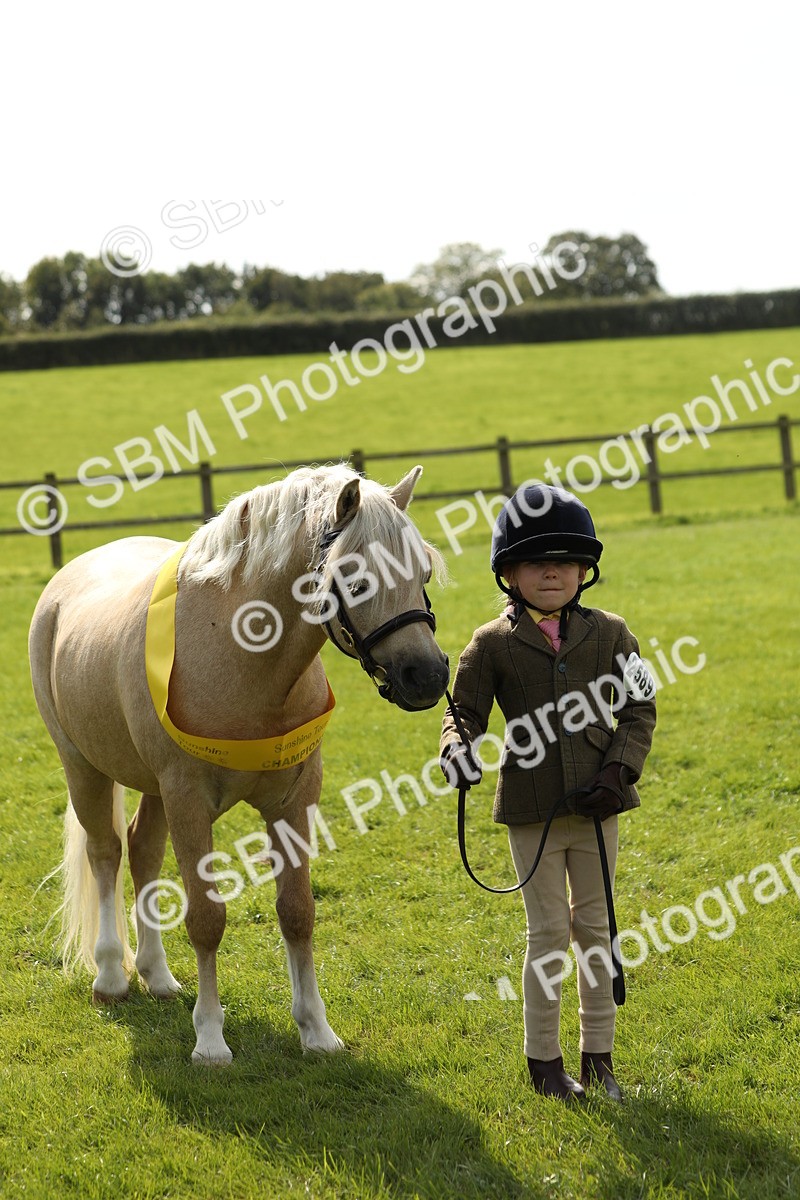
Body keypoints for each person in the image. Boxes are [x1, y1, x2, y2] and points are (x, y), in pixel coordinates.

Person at [440, 485, 656, 1102]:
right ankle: (544, 1063)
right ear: (509, 572)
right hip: (531, 810)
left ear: (586, 569)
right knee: (548, 933)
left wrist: (618, 773)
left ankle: (600, 1058)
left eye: (565, 560)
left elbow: (641, 710)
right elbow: (464, 714)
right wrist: (456, 749)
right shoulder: (489, 644)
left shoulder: (615, 635)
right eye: (537, 562)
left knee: (596, 931)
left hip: (599, 808)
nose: (553, 571)